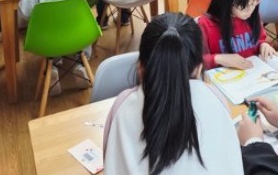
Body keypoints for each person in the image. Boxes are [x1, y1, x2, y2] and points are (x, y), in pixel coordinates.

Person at [103, 13, 243, 175]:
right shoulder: (215, 98)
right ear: (199, 70)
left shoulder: (123, 105)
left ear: (140, 68)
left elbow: (108, 159)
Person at [198, 0, 276, 69]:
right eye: (244, 6)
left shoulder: (252, 16)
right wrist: (217, 58)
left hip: (252, 73)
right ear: (226, 1)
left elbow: (260, 39)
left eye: (255, 3)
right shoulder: (205, 25)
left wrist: (263, 45)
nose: (251, 10)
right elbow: (195, 63)